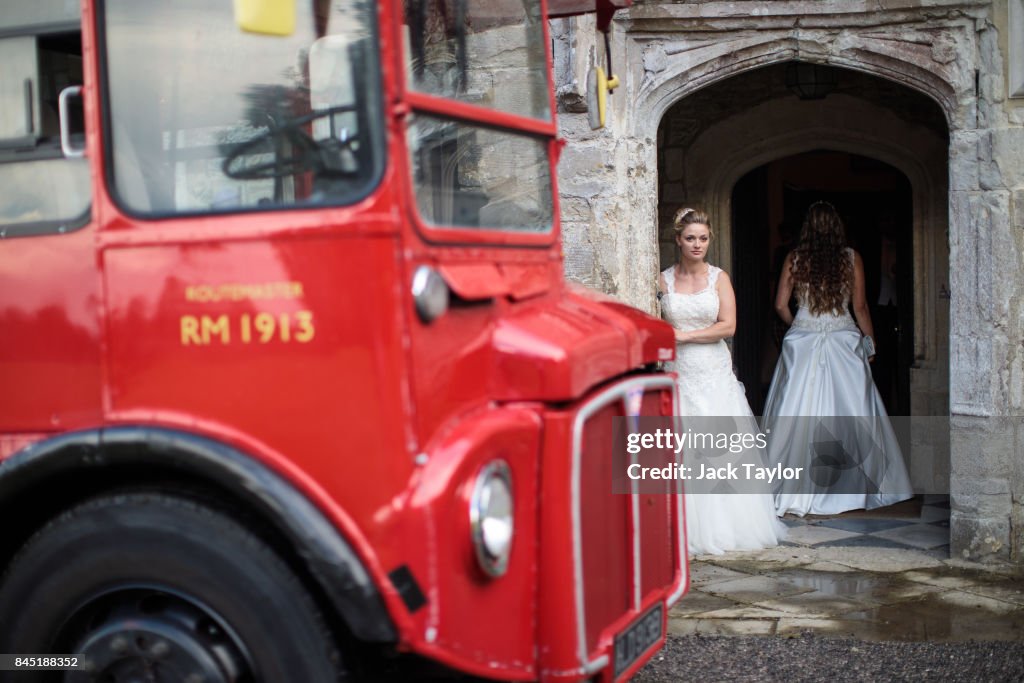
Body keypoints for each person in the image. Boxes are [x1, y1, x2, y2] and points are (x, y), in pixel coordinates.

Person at [763, 201, 913, 516]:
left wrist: (799, 326)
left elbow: (779, 305)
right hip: (844, 340)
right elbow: (860, 307)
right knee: (853, 411)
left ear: (807, 228)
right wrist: (870, 344)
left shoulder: (795, 258)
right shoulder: (851, 258)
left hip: (803, 341)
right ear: (837, 227)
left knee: (795, 412)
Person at [659, 207, 785, 555]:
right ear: (678, 240)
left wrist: (684, 336)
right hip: (679, 372)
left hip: (712, 370)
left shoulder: (719, 278)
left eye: (703, 238)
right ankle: (683, 527)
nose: (697, 244)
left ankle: (727, 526)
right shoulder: (662, 280)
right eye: (690, 238)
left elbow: (728, 326)